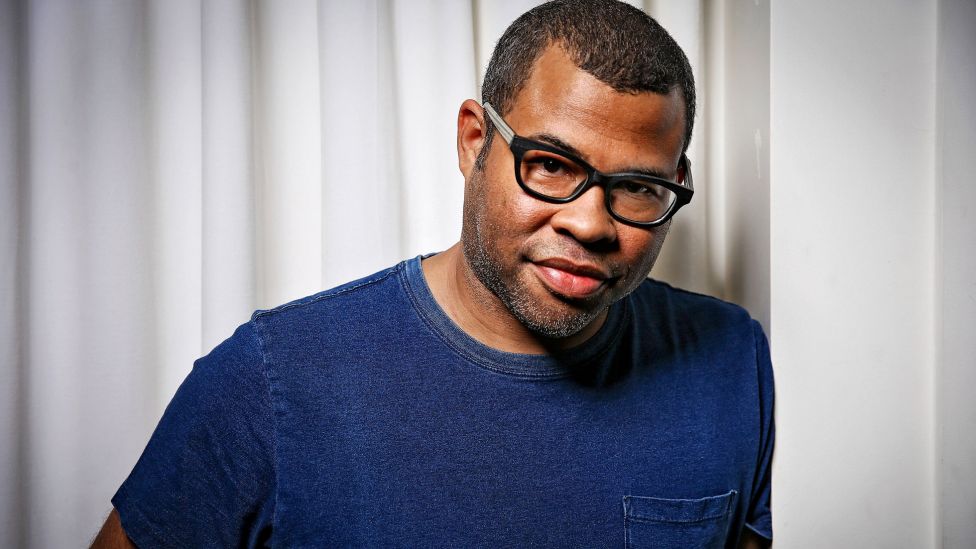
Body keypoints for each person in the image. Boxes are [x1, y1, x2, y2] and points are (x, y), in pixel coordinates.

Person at [92, 1, 773, 547]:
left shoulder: (731, 360)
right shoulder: (271, 382)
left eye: (639, 187)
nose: (591, 224)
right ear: (475, 141)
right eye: (551, 165)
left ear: (677, 183)